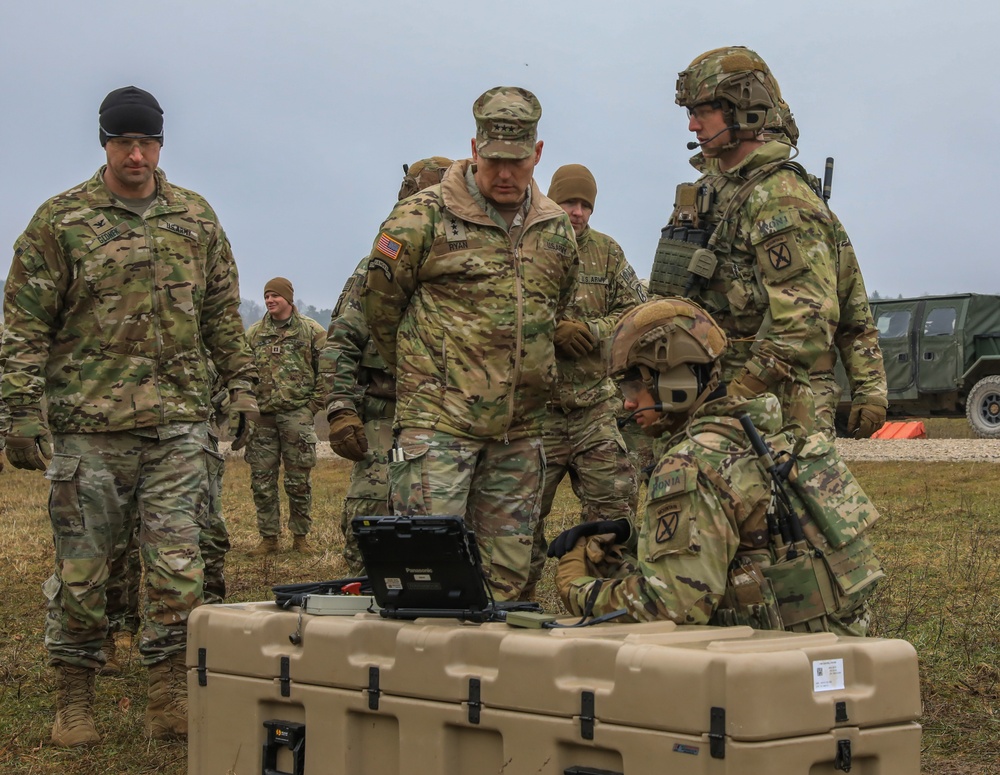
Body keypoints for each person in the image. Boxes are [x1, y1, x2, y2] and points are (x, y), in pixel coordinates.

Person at [0, 85, 258, 745]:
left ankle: (169, 696)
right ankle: (74, 699)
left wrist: (242, 385)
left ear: (161, 144)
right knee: (84, 571)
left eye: (146, 142)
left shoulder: (195, 220)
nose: (136, 155)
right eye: (124, 143)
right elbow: (24, 323)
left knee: (178, 566)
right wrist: (20, 409)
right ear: (105, 143)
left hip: (178, 428)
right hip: (88, 429)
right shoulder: (61, 222)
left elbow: (222, 317)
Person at [549, 298, 884, 636]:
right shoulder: (768, 431)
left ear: (674, 380)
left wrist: (578, 588)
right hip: (842, 645)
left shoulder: (690, 463)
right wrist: (629, 538)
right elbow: (748, 545)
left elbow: (673, 606)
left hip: (774, 661)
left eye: (634, 386)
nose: (628, 402)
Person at [361, 86, 579, 600]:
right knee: (427, 575)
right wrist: (428, 376)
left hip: (519, 431)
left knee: (507, 580)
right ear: (475, 148)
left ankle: (492, 678)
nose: (506, 174)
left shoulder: (554, 230)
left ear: (538, 154)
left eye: (519, 162)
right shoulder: (422, 218)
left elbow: (554, 308)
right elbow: (381, 306)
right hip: (439, 426)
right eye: (495, 160)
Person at [649, 46, 840, 438]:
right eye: (690, 114)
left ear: (744, 109)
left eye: (703, 112)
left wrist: (741, 392)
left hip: (763, 413)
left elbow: (805, 317)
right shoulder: (708, 192)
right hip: (709, 396)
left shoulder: (779, 196)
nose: (692, 126)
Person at [322, 157, 453, 576]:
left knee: (440, 538)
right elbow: (342, 339)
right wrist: (341, 408)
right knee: (369, 536)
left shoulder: (465, 271)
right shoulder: (376, 267)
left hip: (446, 421)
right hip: (383, 416)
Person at [521, 164, 645, 599]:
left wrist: (591, 330)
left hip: (595, 410)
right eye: (569, 202)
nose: (576, 212)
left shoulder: (608, 253)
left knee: (615, 514)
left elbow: (636, 315)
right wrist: (550, 328)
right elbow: (500, 315)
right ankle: (516, 608)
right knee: (519, 523)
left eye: (585, 205)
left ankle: (613, 602)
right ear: (551, 201)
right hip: (537, 414)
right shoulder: (526, 247)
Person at [761, 106, 887, 439]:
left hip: (805, 387)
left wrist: (870, 390)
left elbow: (854, 313)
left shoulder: (816, 217)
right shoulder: (710, 209)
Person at [244, 278, 328, 555]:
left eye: (275, 296)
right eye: (266, 296)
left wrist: (312, 407)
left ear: (288, 299)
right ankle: (268, 539)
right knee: (262, 481)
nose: (269, 301)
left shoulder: (311, 331)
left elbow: (329, 371)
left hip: (297, 416)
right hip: (263, 417)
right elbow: (241, 370)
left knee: (298, 481)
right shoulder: (254, 334)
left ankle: (300, 539)